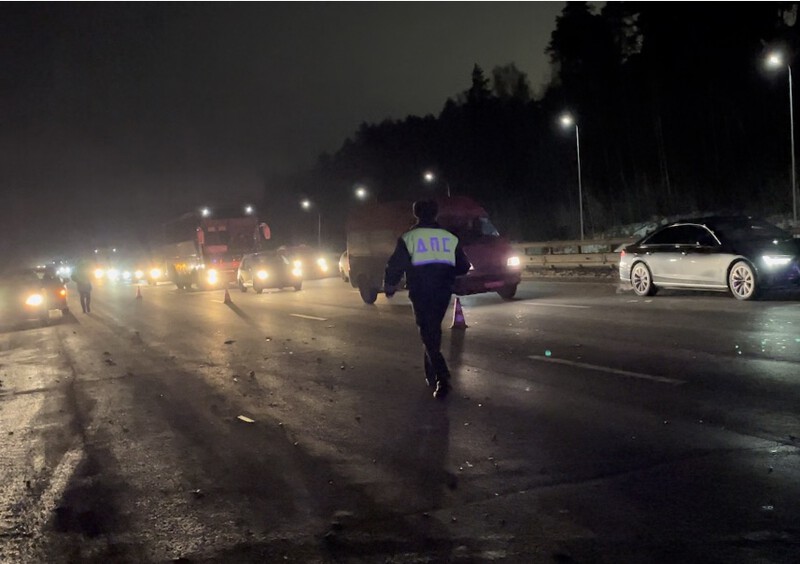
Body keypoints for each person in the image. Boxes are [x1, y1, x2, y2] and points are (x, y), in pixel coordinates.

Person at [384, 199, 471, 399]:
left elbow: (396, 264)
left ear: (416, 214)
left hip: (421, 291)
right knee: (431, 331)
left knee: (428, 332)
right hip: (443, 290)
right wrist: (445, 268)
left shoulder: (409, 237)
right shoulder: (450, 237)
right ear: (436, 214)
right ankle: (431, 375)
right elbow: (463, 266)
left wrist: (390, 285)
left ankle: (442, 378)